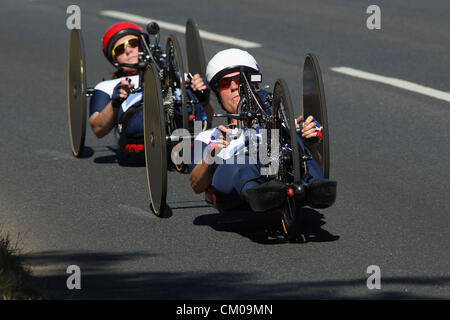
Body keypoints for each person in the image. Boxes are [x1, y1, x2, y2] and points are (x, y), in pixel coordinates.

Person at [188, 48, 336, 211]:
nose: (234, 87)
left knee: (296, 139)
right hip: (238, 179)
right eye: (225, 83)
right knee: (240, 164)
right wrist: (211, 153)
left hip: (278, 158)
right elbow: (196, 185)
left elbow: (315, 160)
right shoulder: (209, 136)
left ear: (255, 83)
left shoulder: (287, 124)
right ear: (218, 94)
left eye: (241, 80)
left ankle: (315, 186)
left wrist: (311, 144)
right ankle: (262, 193)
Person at [89, 22, 210, 145]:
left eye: (133, 44)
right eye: (120, 49)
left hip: (181, 117)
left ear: (143, 45)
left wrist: (202, 98)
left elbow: (208, 121)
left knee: (194, 106)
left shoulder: (181, 77)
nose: (128, 51)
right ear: (114, 59)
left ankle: (168, 109)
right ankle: (159, 110)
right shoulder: (107, 86)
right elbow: (97, 129)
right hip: (138, 125)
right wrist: (114, 103)